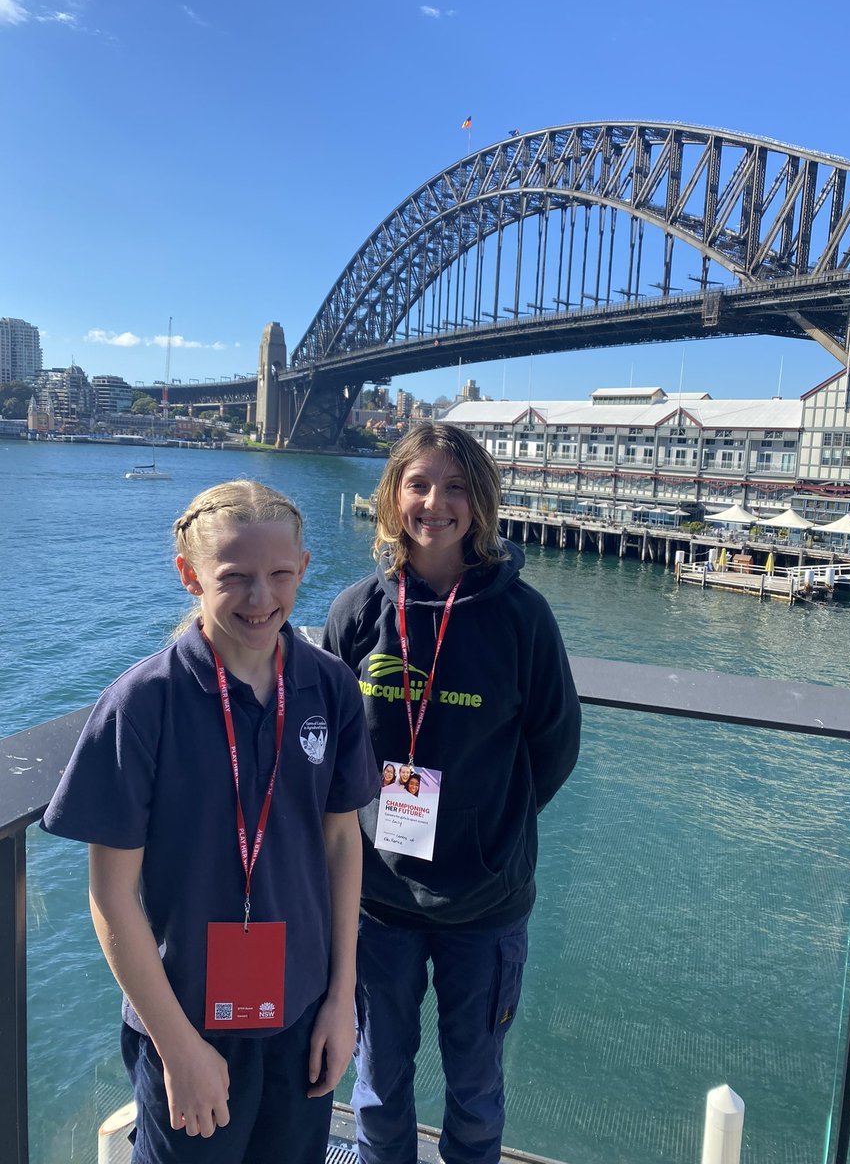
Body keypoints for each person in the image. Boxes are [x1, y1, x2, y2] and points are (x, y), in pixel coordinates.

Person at [41, 480, 379, 1164]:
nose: (261, 599)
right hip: (187, 1017)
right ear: (189, 575)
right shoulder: (141, 703)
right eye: (235, 578)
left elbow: (343, 842)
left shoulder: (330, 686)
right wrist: (178, 1047)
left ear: (305, 570)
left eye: (280, 575)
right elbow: (110, 897)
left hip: (302, 1011)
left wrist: (342, 999)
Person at [322, 423, 581, 1164]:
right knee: (376, 1082)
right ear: (392, 496)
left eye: (457, 486)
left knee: (474, 1089)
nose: (437, 503)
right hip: (377, 902)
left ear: (482, 501)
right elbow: (338, 751)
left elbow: (553, 744)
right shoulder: (355, 613)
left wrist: (490, 826)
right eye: (420, 484)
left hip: (486, 903)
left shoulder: (521, 615)